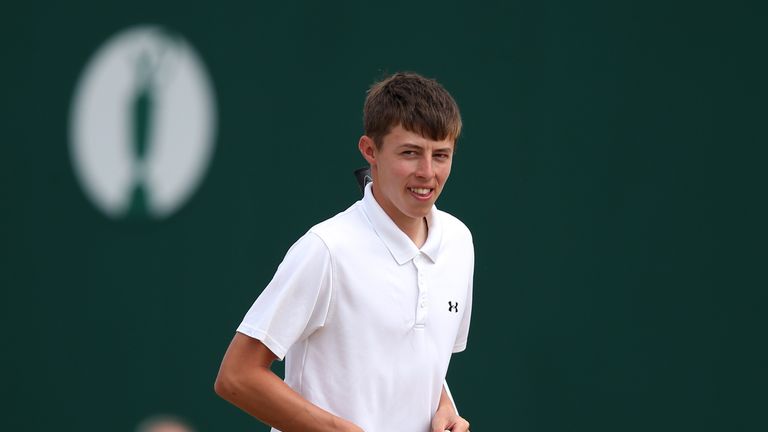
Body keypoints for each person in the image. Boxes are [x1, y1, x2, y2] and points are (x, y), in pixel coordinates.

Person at [215, 72, 473, 432]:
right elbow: (237, 376)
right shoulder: (326, 250)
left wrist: (444, 406)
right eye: (410, 153)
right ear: (370, 151)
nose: (427, 172)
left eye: (441, 155)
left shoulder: (459, 242)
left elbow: (417, 358)